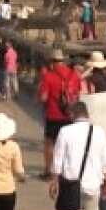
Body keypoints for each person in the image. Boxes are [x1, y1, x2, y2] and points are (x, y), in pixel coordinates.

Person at [49, 102, 106, 210]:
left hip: (71, 185)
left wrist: (54, 181)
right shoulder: (100, 132)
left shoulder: (65, 131)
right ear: (87, 114)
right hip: (93, 185)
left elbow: (57, 159)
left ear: (73, 114)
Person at [38, 49, 81, 179]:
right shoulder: (74, 74)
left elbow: (43, 98)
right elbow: (78, 94)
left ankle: (49, 170)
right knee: (68, 144)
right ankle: (66, 169)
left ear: (51, 62)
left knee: (49, 143)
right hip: (70, 115)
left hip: (53, 115)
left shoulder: (48, 76)